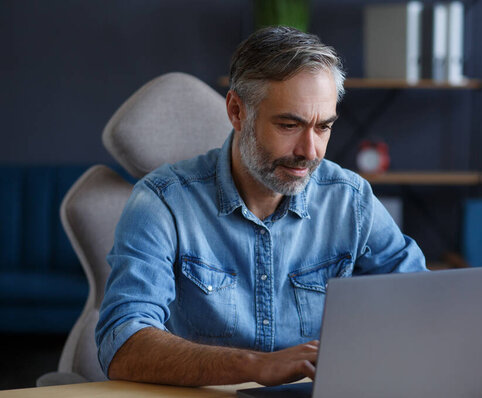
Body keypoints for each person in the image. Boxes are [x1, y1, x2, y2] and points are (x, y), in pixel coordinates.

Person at [95, 26, 427, 388]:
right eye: (289, 125)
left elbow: (423, 306)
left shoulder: (350, 199)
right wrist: (254, 366)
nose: (310, 152)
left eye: (323, 128)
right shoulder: (161, 203)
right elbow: (122, 343)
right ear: (237, 112)